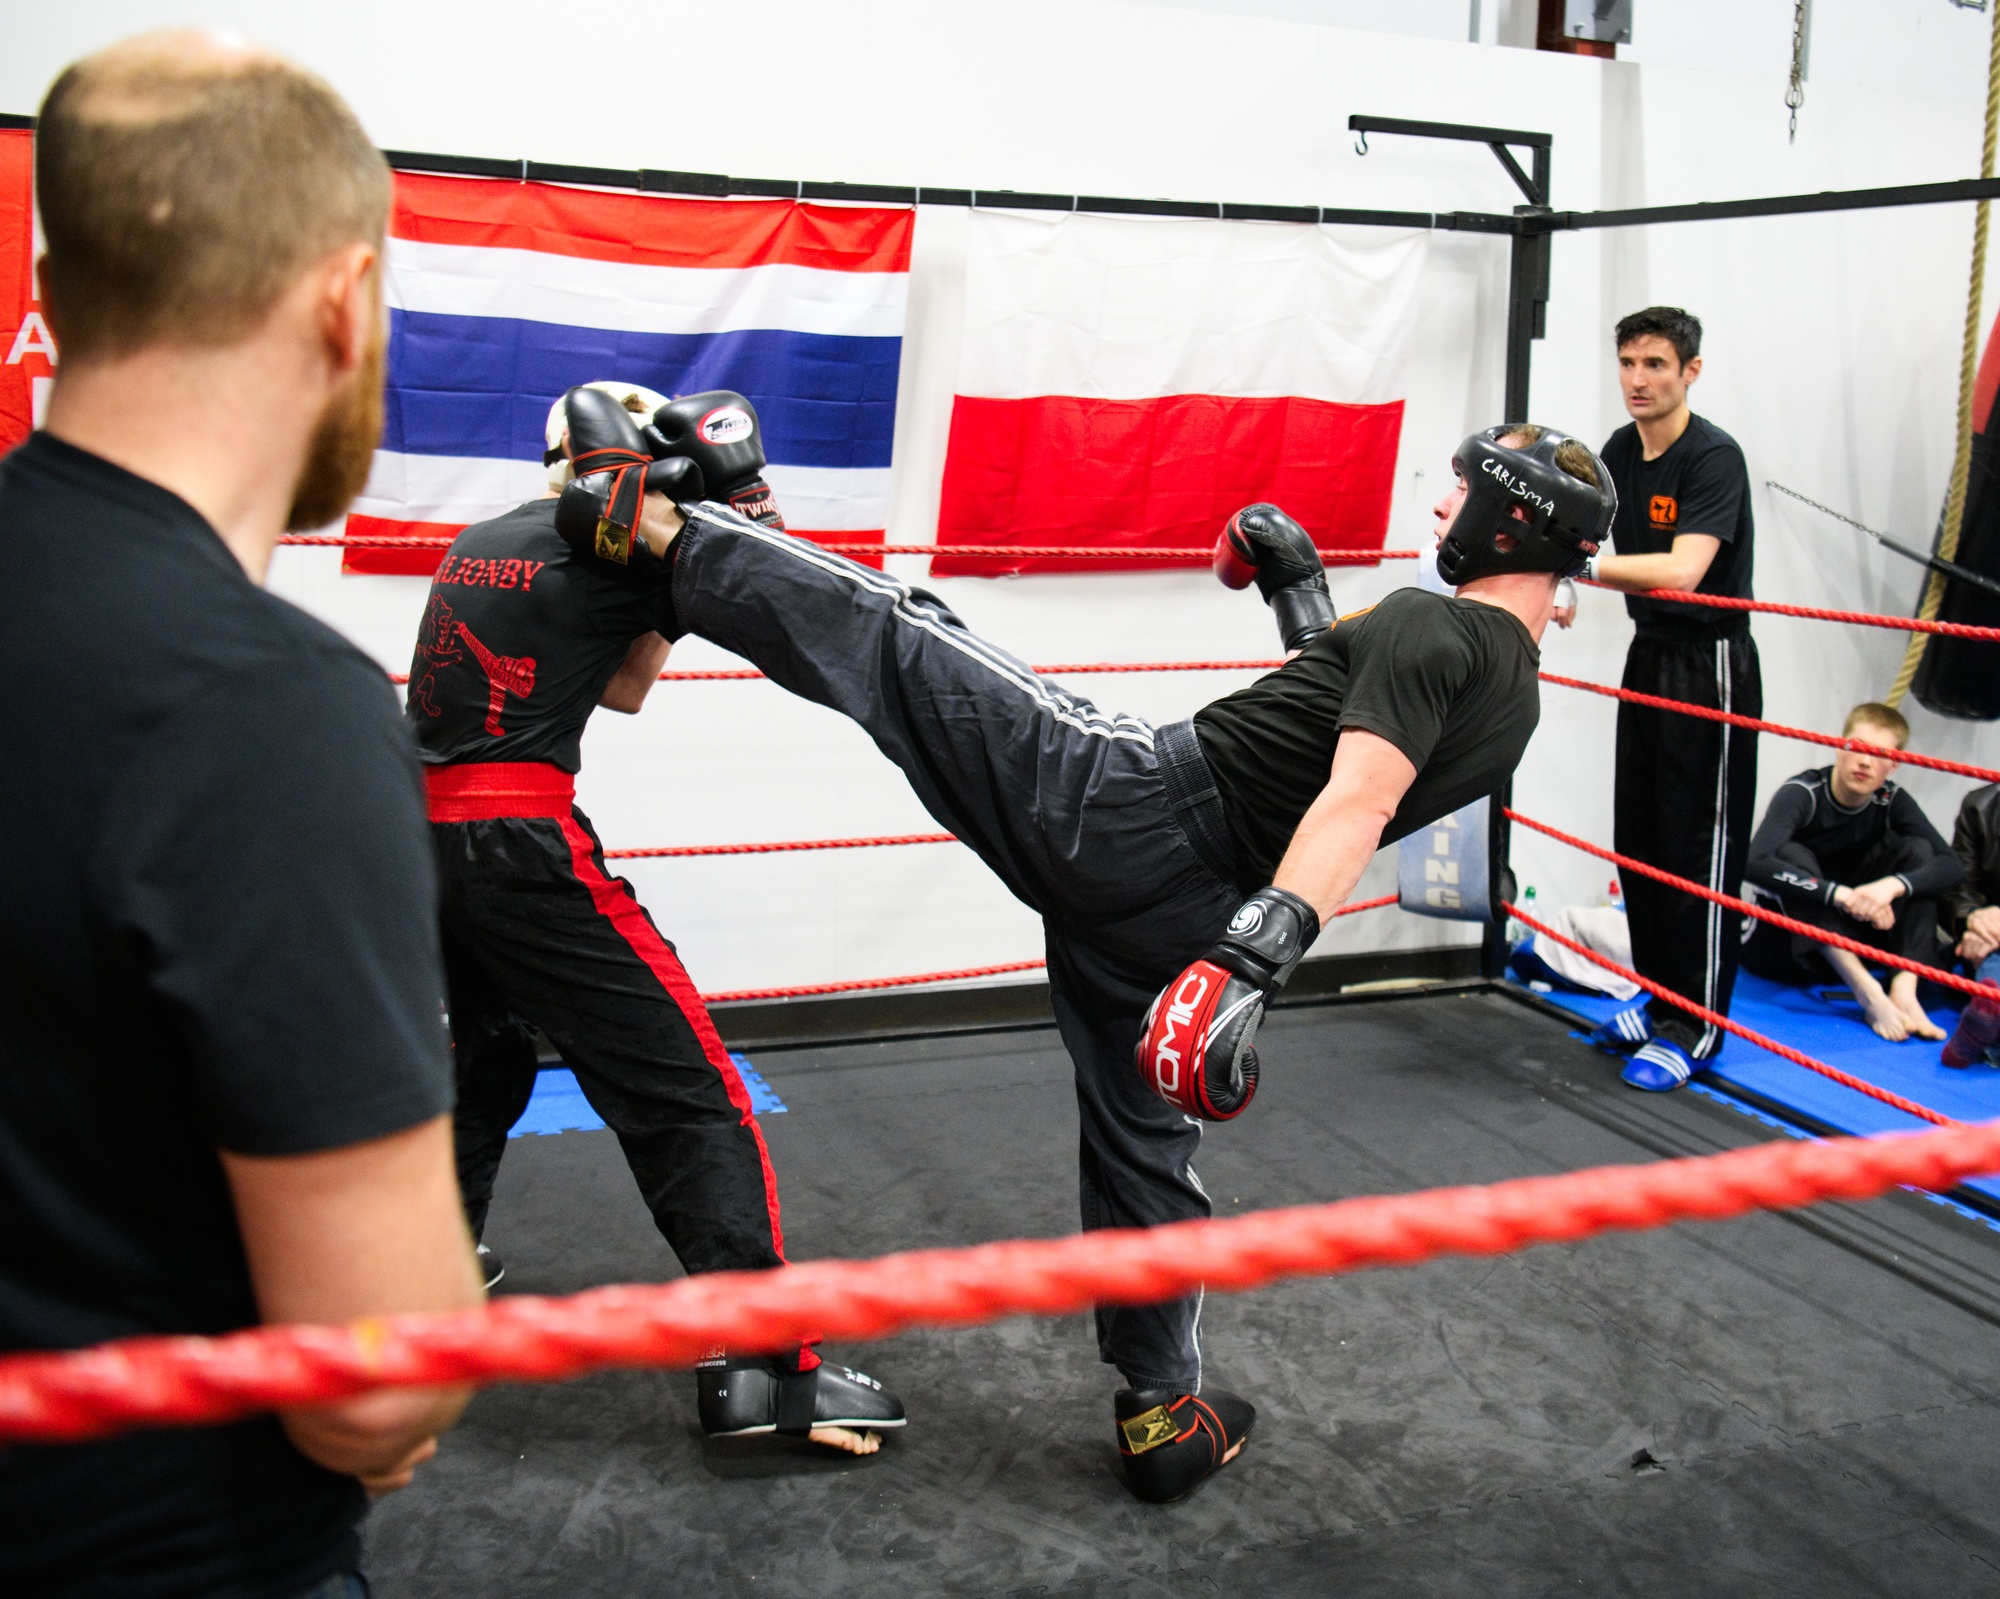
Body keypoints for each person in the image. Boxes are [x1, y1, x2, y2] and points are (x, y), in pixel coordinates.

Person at [580, 417, 1611, 1502]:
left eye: (1460, 489)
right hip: (1189, 907)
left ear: (1510, 522)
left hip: (1128, 809)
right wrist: (1298, 595)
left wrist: (1252, 962)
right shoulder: (1513, 696)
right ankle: (1162, 1410)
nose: (1440, 506)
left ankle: (659, 528)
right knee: (1143, 1148)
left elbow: (1357, 797)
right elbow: (1334, 731)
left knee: (901, 633)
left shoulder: (1427, 621)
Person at [0, 34, 485, 1599]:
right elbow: (376, 1382)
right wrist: (399, 1383)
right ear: (347, 300)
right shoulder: (260, 709)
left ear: (59, 295)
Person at [406, 381, 903, 1453]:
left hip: (421, 839)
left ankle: (426, 1275)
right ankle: (767, 1369)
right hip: (519, 839)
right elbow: (770, 620)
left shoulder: (479, 540)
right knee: (687, 1088)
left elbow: (617, 684)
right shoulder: (613, 543)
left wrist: (660, 596)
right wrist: (721, 524)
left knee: (484, 1058)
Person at [1583, 306, 1761, 1093]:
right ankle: (1659, 999)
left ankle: (1698, 1024)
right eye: (1628, 362)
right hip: (1648, 653)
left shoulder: (1713, 456)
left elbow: (1685, 570)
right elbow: (1580, 532)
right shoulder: (1620, 450)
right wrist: (1557, 578)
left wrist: (1580, 572)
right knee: (1642, 837)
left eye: (1655, 364)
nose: (1638, 379)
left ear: (1691, 371)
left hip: (1710, 661)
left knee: (1698, 848)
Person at [1740, 704, 1959, 1042]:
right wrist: (1840, 896)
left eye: (1879, 754)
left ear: (1894, 765)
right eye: (1857, 747)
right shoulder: (1803, 793)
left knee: (1919, 852)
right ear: (1839, 747)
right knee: (1790, 853)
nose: (1865, 761)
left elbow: (1951, 865)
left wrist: (1891, 887)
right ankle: (1868, 993)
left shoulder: (1891, 800)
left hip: (1858, 941)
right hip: (1785, 950)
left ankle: (1904, 990)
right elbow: (1753, 861)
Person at [1941, 781, 2000, 1065]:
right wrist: (1975, 919)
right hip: (1984, 942)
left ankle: (1983, 1032)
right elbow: (1957, 889)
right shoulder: (1980, 805)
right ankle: (1989, 1006)